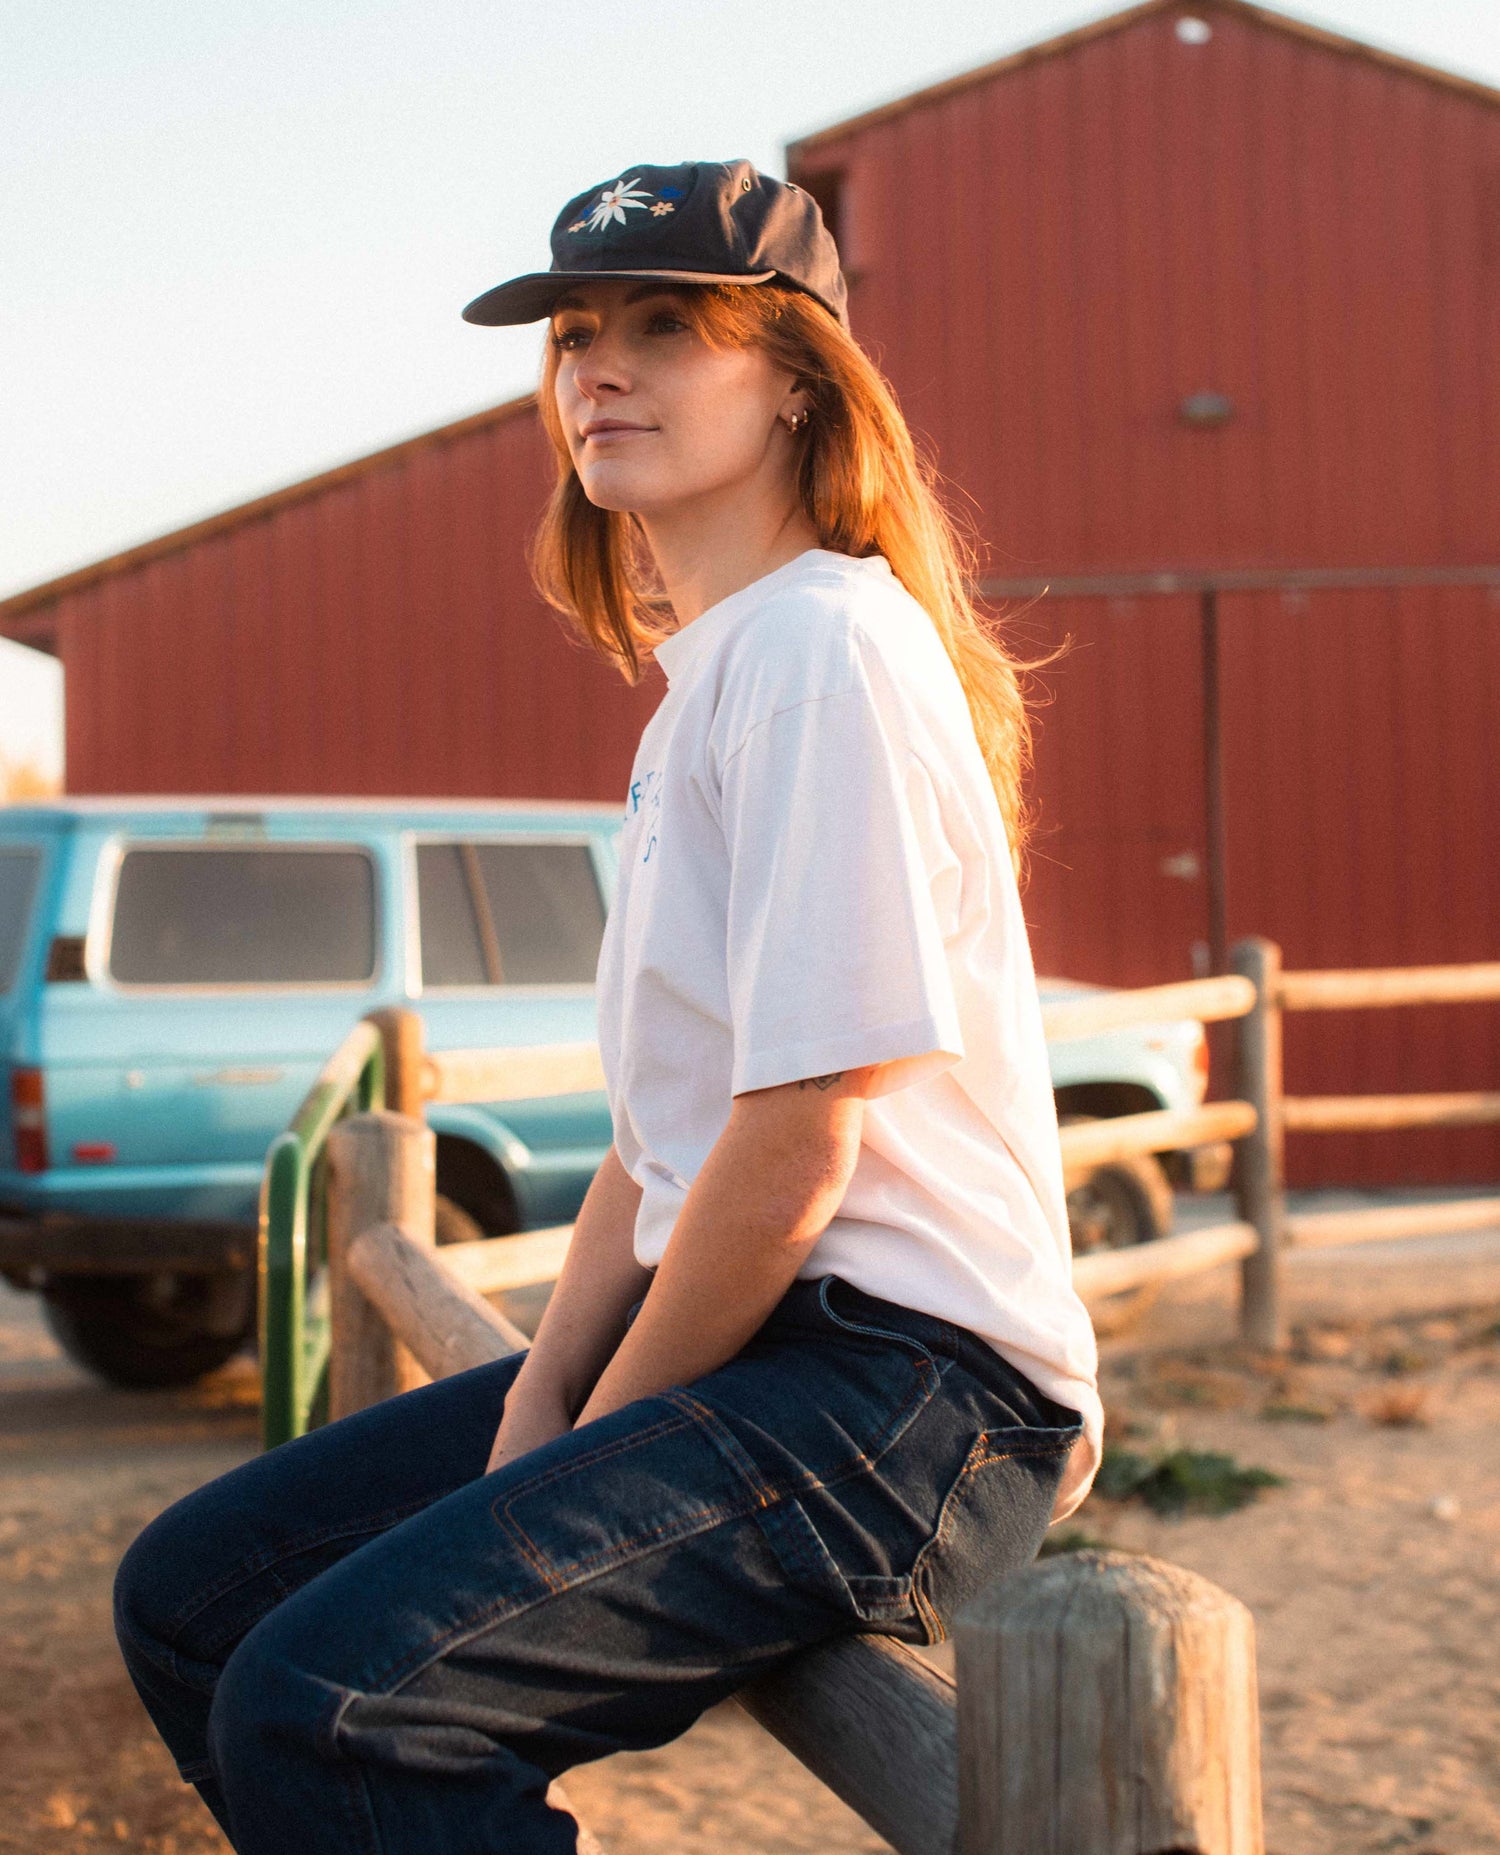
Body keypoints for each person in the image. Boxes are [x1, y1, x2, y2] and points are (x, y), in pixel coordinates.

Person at [113, 158, 1102, 1854]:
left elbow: (800, 1132)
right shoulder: (701, 690)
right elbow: (663, 1149)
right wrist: (532, 1402)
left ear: (798, 374)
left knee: (338, 1710)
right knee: (193, 1597)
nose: (599, 369)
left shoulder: (826, 650)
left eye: (664, 325)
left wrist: (605, 1430)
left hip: (921, 1391)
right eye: (575, 334)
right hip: (770, 1340)